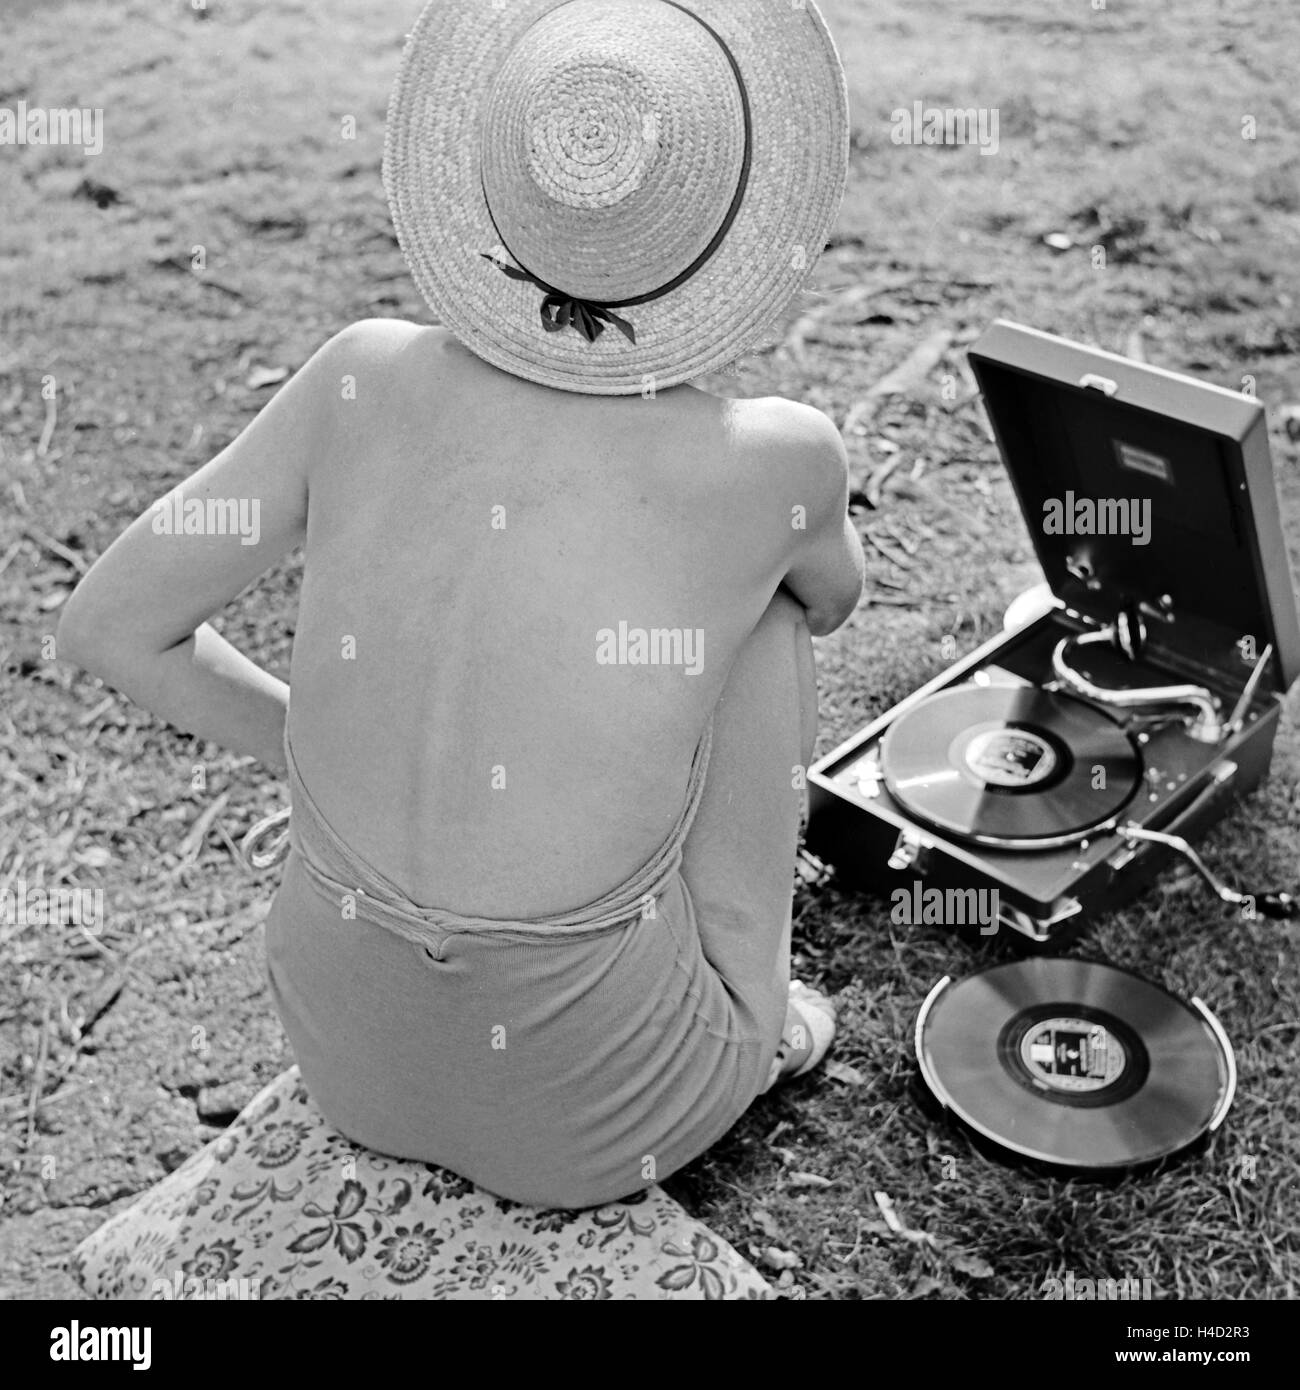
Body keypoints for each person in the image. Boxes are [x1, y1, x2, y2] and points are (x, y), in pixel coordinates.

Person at [56, 0, 865, 1210]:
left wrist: (332, 743)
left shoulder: (357, 376)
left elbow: (110, 626)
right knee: (768, 612)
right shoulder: (774, 457)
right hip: (595, 1120)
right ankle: (756, 1024)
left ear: (492, 184)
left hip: (346, 1059)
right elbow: (838, 597)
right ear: (741, 226)